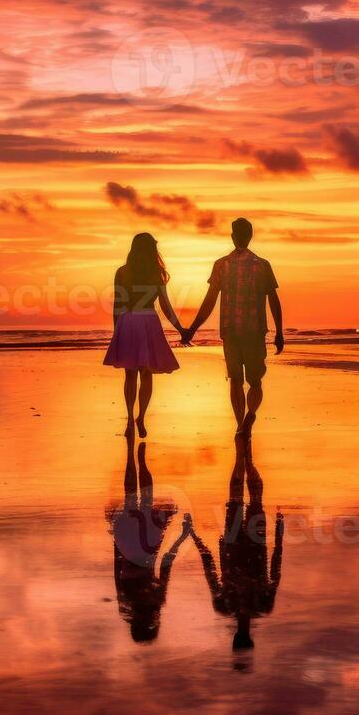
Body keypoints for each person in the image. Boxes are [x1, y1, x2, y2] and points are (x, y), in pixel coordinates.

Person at [181, 218, 282, 435]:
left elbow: (209, 301)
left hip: (232, 332)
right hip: (253, 332)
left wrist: (192, 329)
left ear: (233, 236)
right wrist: (280, 332)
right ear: (250, 235)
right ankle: (249, 416)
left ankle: (240, 426)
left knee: (235, 381)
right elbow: (274, 300)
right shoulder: (262, 265)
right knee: (254, 382)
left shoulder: (221, 265)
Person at [189, 436, 283, 665]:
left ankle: (244, 457)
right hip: (241, 544)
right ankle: (243, 456)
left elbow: (275, 567)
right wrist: (193, 535)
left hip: (251, 544)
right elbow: (209, 566)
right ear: (237, 639)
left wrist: (280, 536)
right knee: (239, 498)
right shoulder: (231, 606)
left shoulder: (254, 606)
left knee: (246, 498)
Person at [107, 434, 191, 644]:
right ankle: (131, 457)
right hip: (131, 547)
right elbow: (117, 571)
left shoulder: (153, 601)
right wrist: (116, 542)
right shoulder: (127, 604)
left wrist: (182, 536)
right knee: (132, 497)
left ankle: (138, 460)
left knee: (144, 499)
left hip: (146, 547)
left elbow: (165, 566)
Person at [103, 232, 189, 438]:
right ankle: (140, 417)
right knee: (146, 372)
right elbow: (166, 307)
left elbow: (118, 304)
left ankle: (131, 418)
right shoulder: (155, 273)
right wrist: (181, 329)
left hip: (128, 320)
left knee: (130, 373)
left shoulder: (123, 272)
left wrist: (117, 332)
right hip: (148, 320)